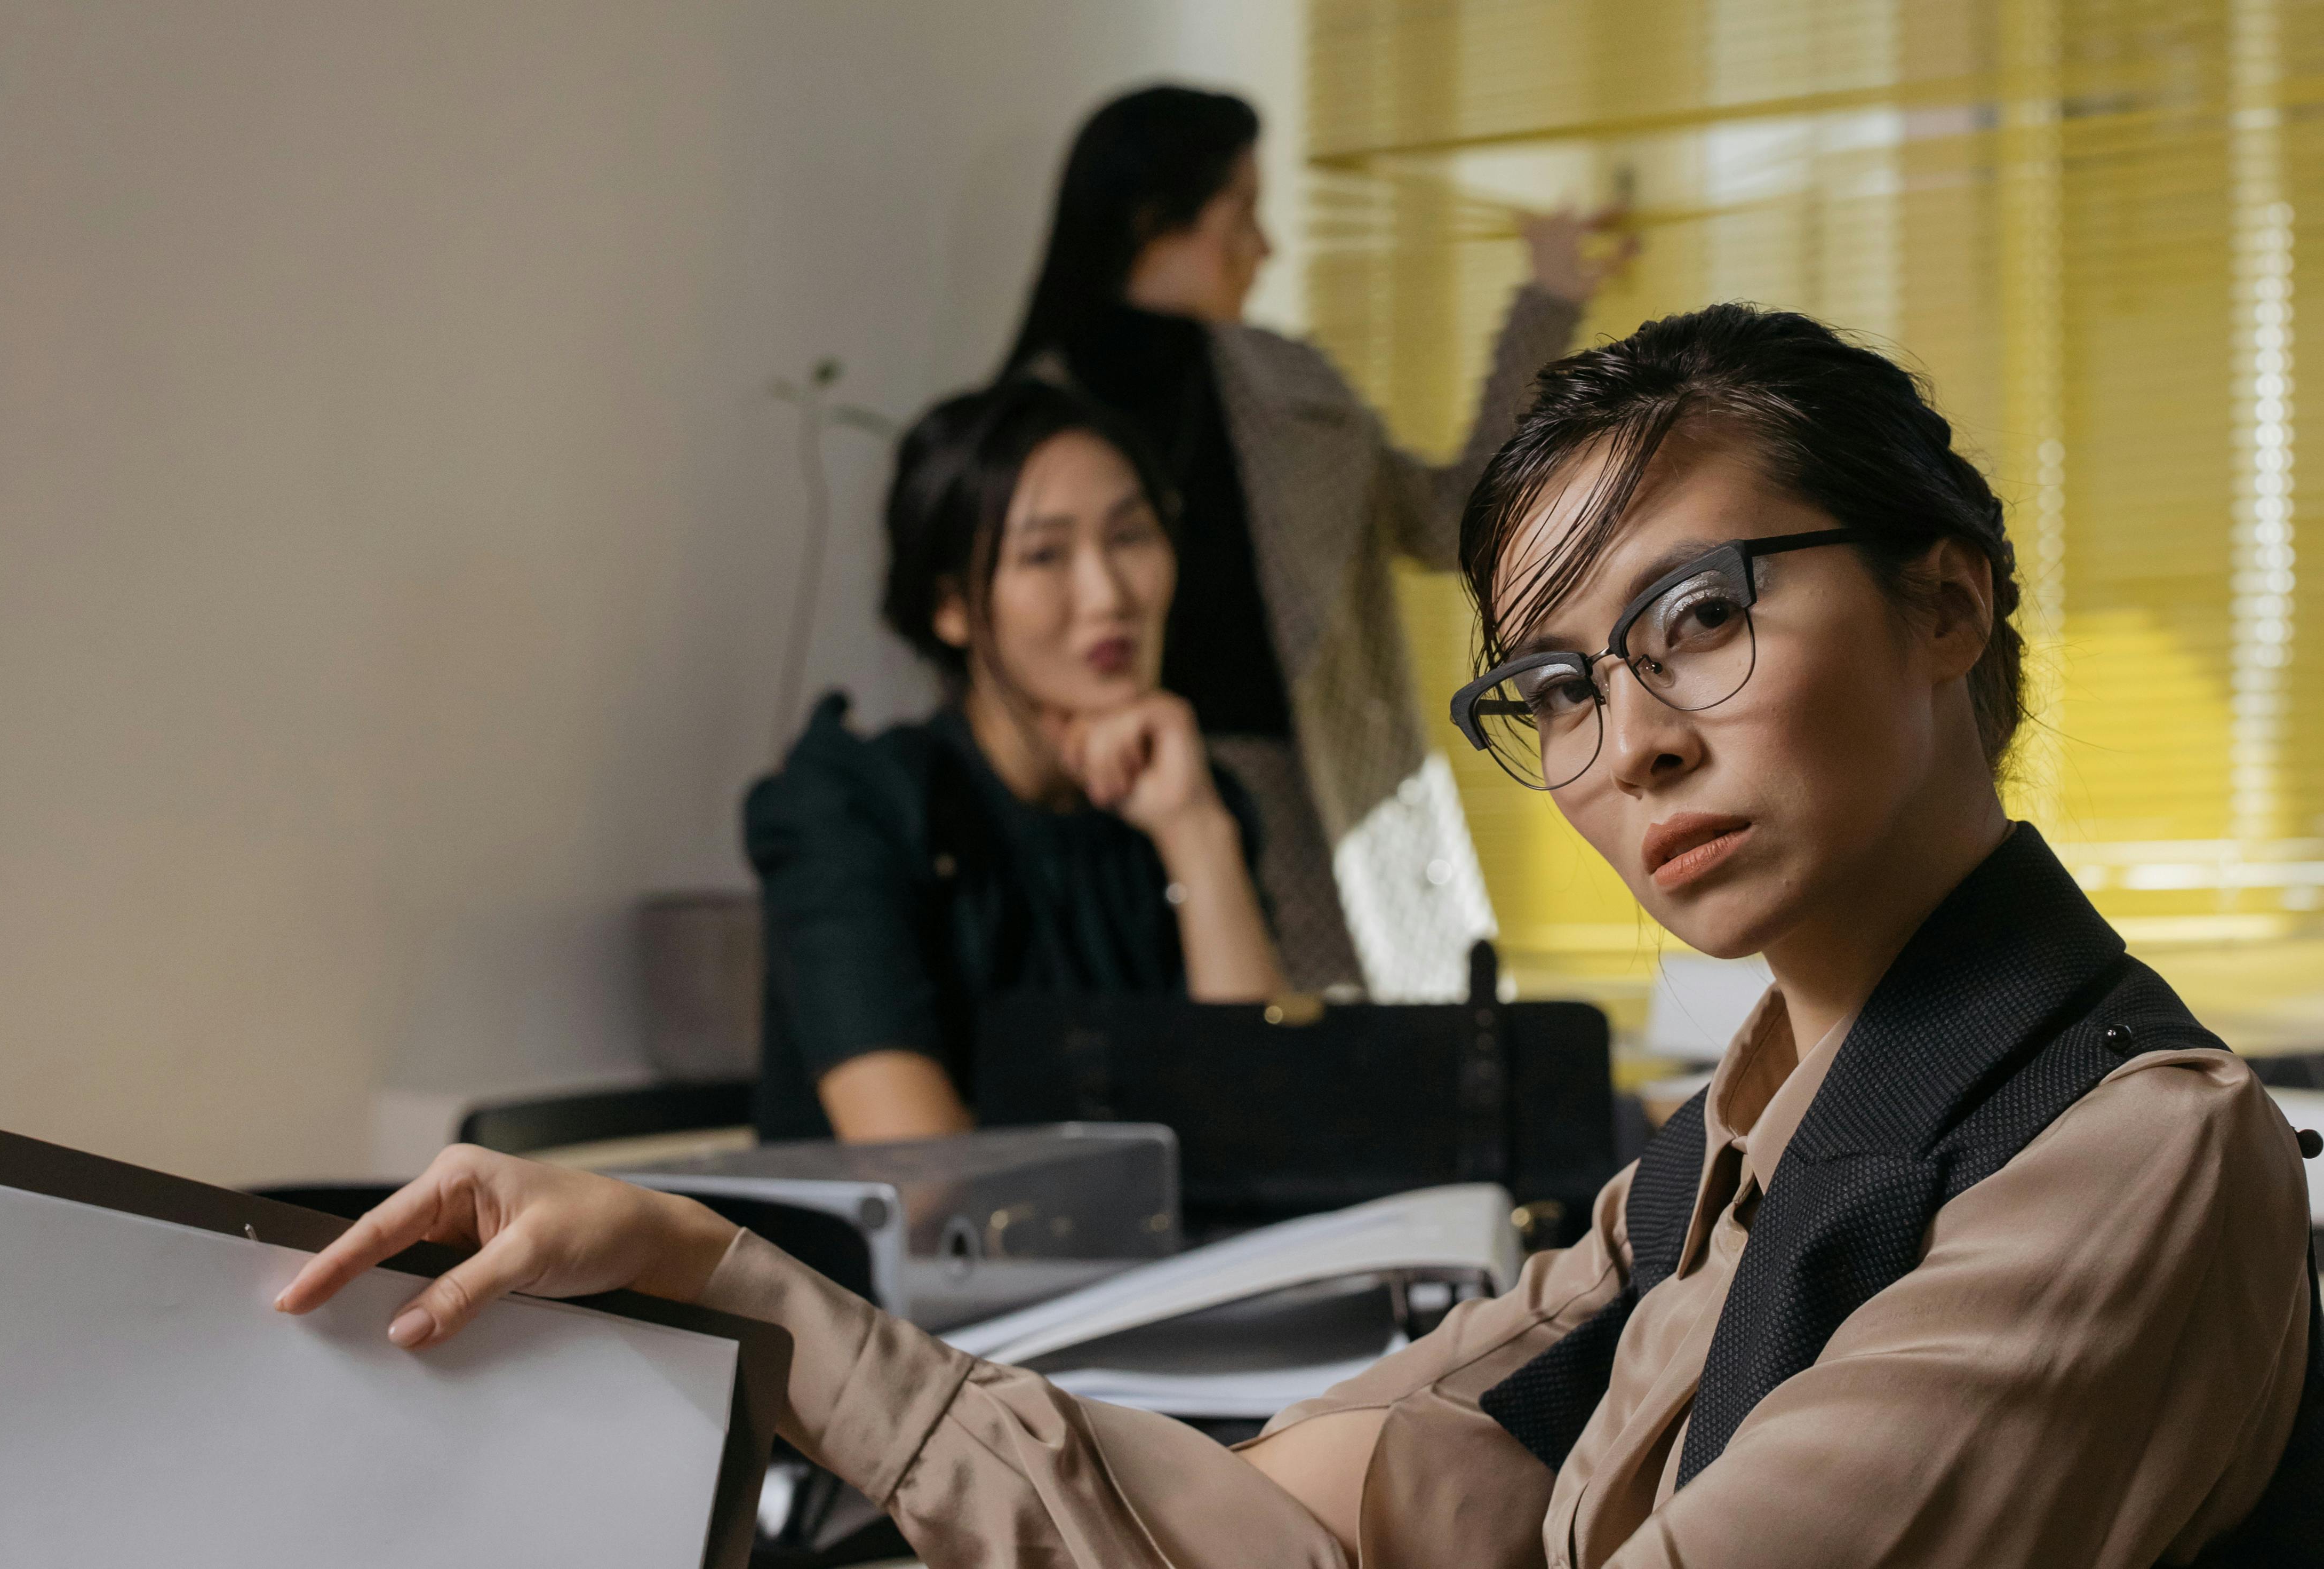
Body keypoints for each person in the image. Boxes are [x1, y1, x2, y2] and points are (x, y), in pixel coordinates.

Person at [281, 306, 2320, 1567]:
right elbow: (1282, 1504)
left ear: (1946, 602)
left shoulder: (2115, 1154)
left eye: (1700, 617)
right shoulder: (1716, 1149)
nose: (1635, 750)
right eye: (1560, 692)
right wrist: (710, 1264)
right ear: (946, 607)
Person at [1004, 84, 1633, 997]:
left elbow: (1460, 515)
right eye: (1245, 214)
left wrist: (1547, 306)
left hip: (1314, 811)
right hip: (1090, 815)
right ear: (1152, 216)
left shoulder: (1290, 393)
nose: (1267, 248)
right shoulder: (1011, 433)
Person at [744, 378, 1284, 1143]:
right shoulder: (854, 806)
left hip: (1176, 1263)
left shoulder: (1194, 794)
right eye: (1044, 555)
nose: (1107, 595)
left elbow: (1268, 1128)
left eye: (1131, 536)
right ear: (952, 606)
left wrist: (1195, 830)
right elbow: (925, 1183)